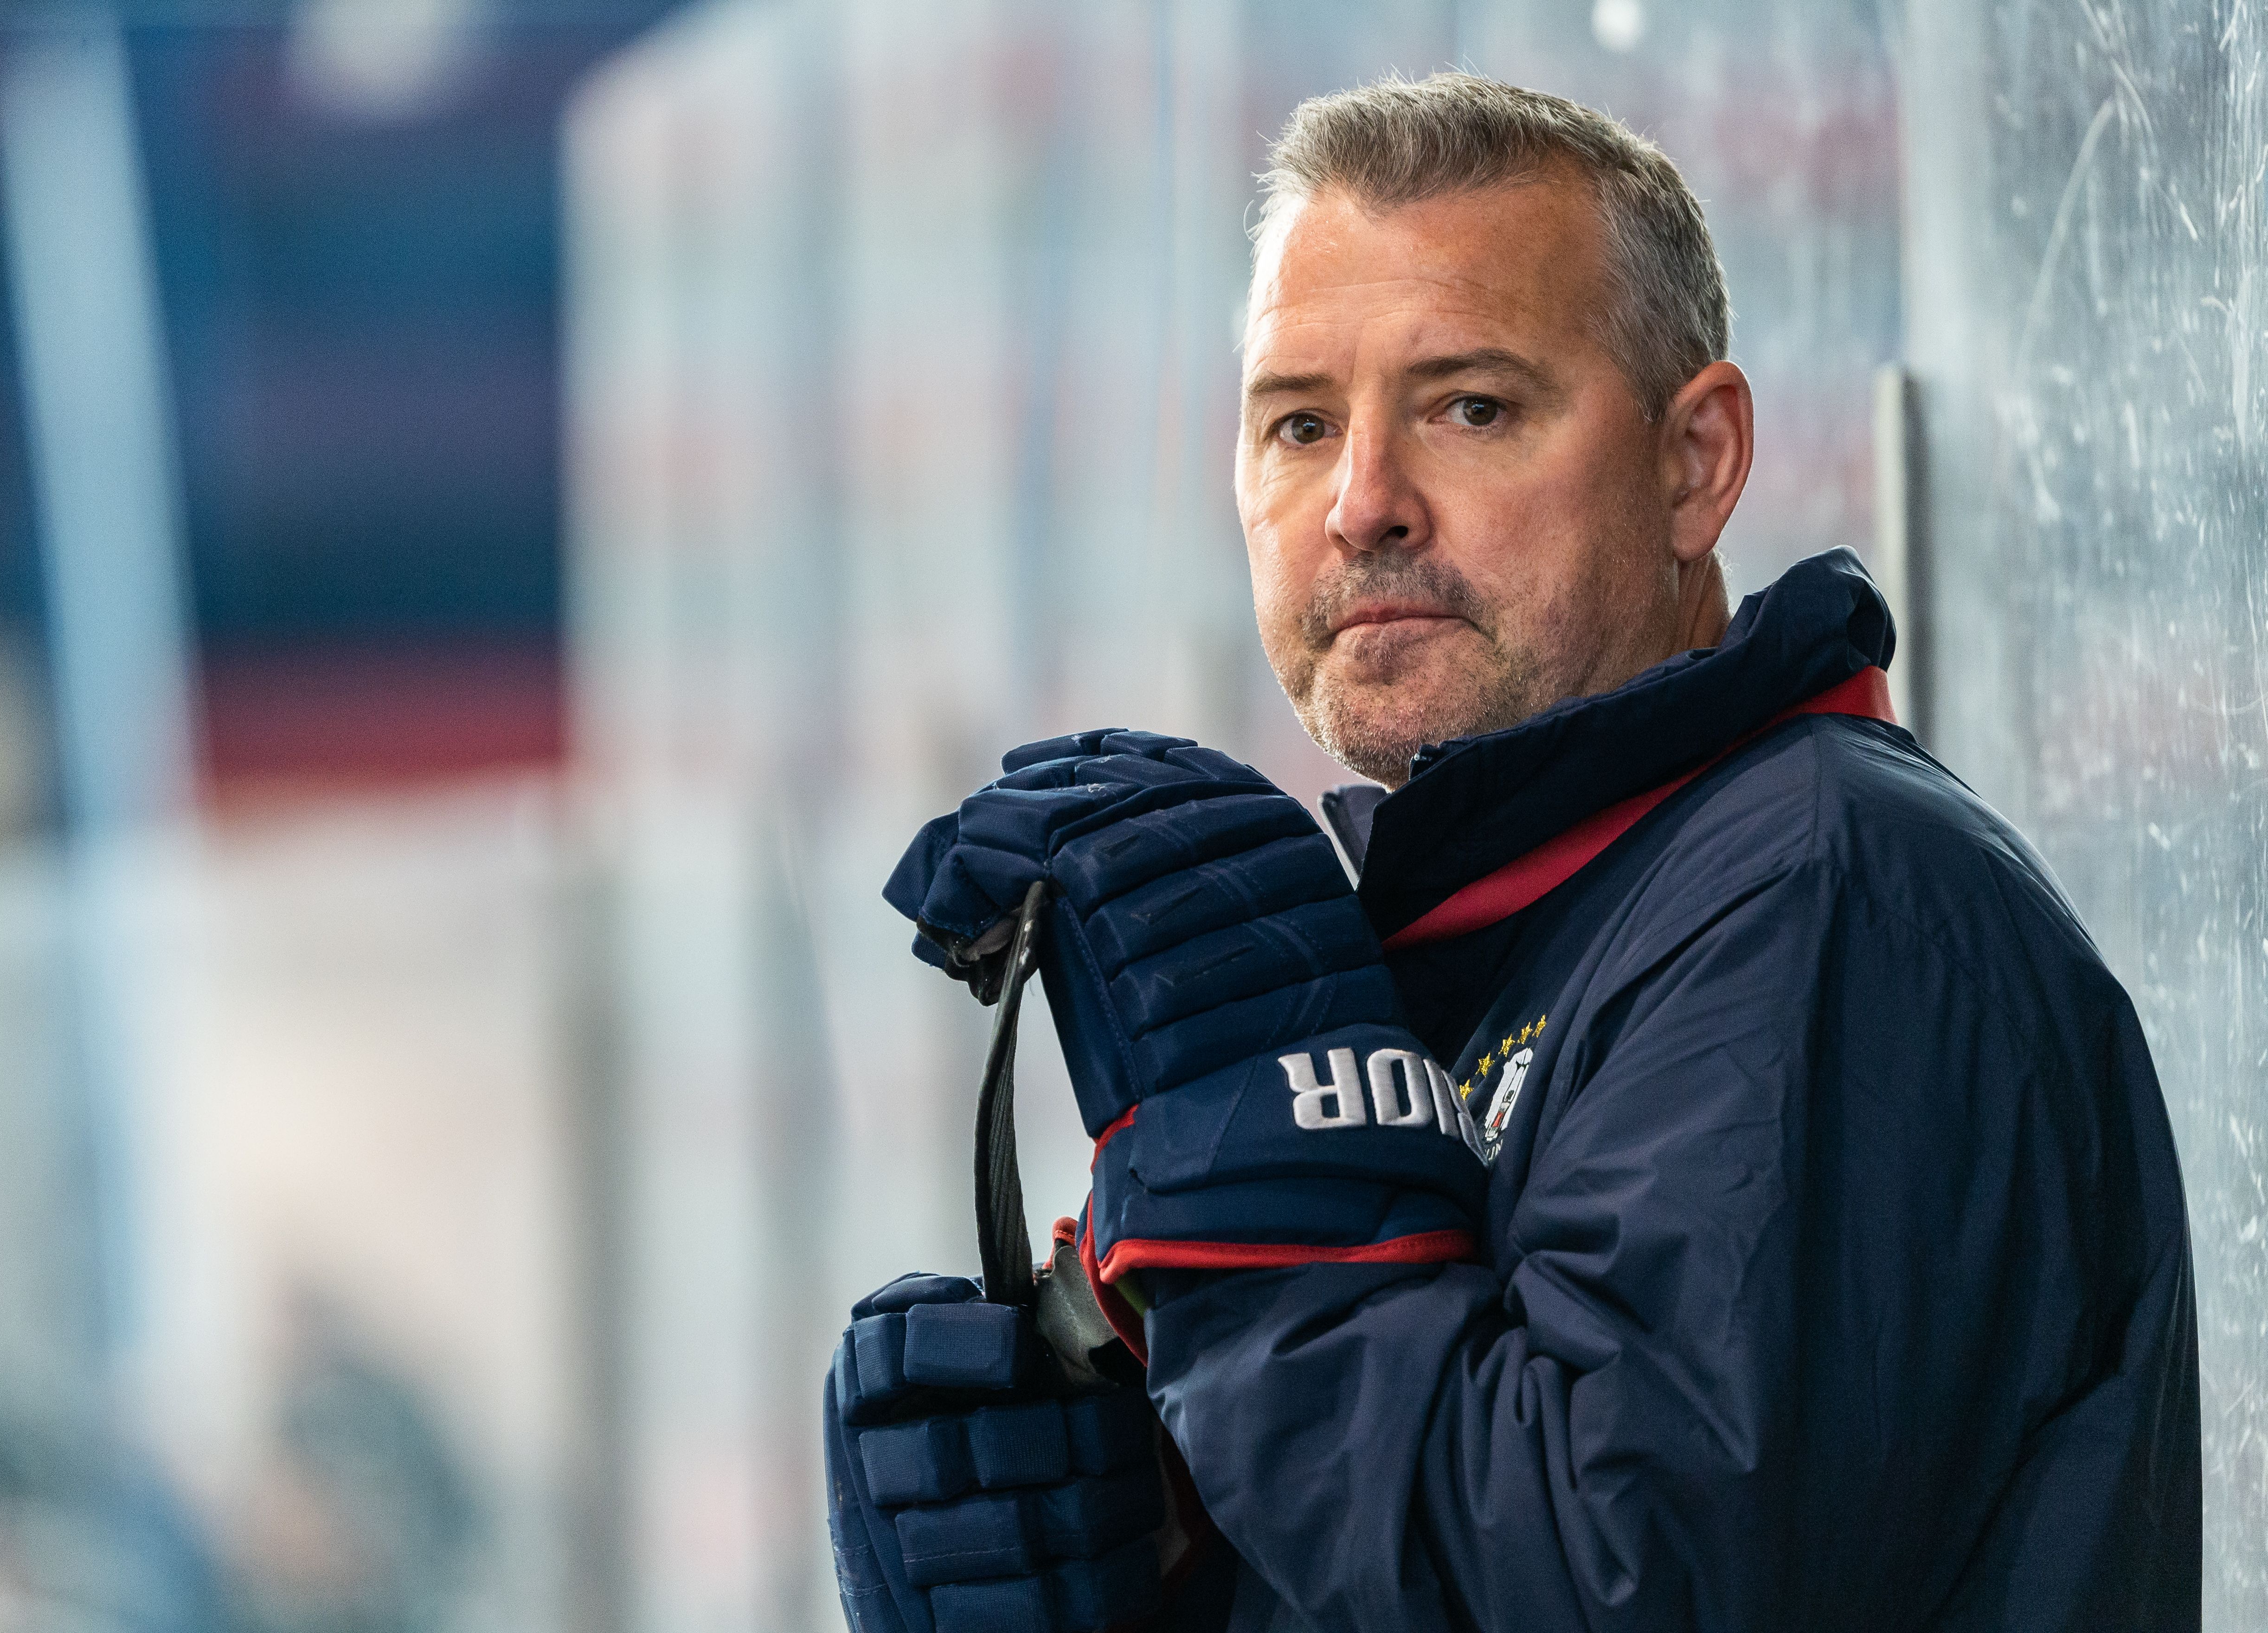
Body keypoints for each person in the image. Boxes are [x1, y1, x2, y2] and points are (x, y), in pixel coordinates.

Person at [826, 71, 2199, 1633]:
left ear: (1697, 461)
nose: (1360, 506)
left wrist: (1268, 1201)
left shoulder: (1824, 897)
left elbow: (1612, 1589)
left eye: (1469, 405)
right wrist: (1169, 1559)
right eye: (1296, 423)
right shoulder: (1518, 930)